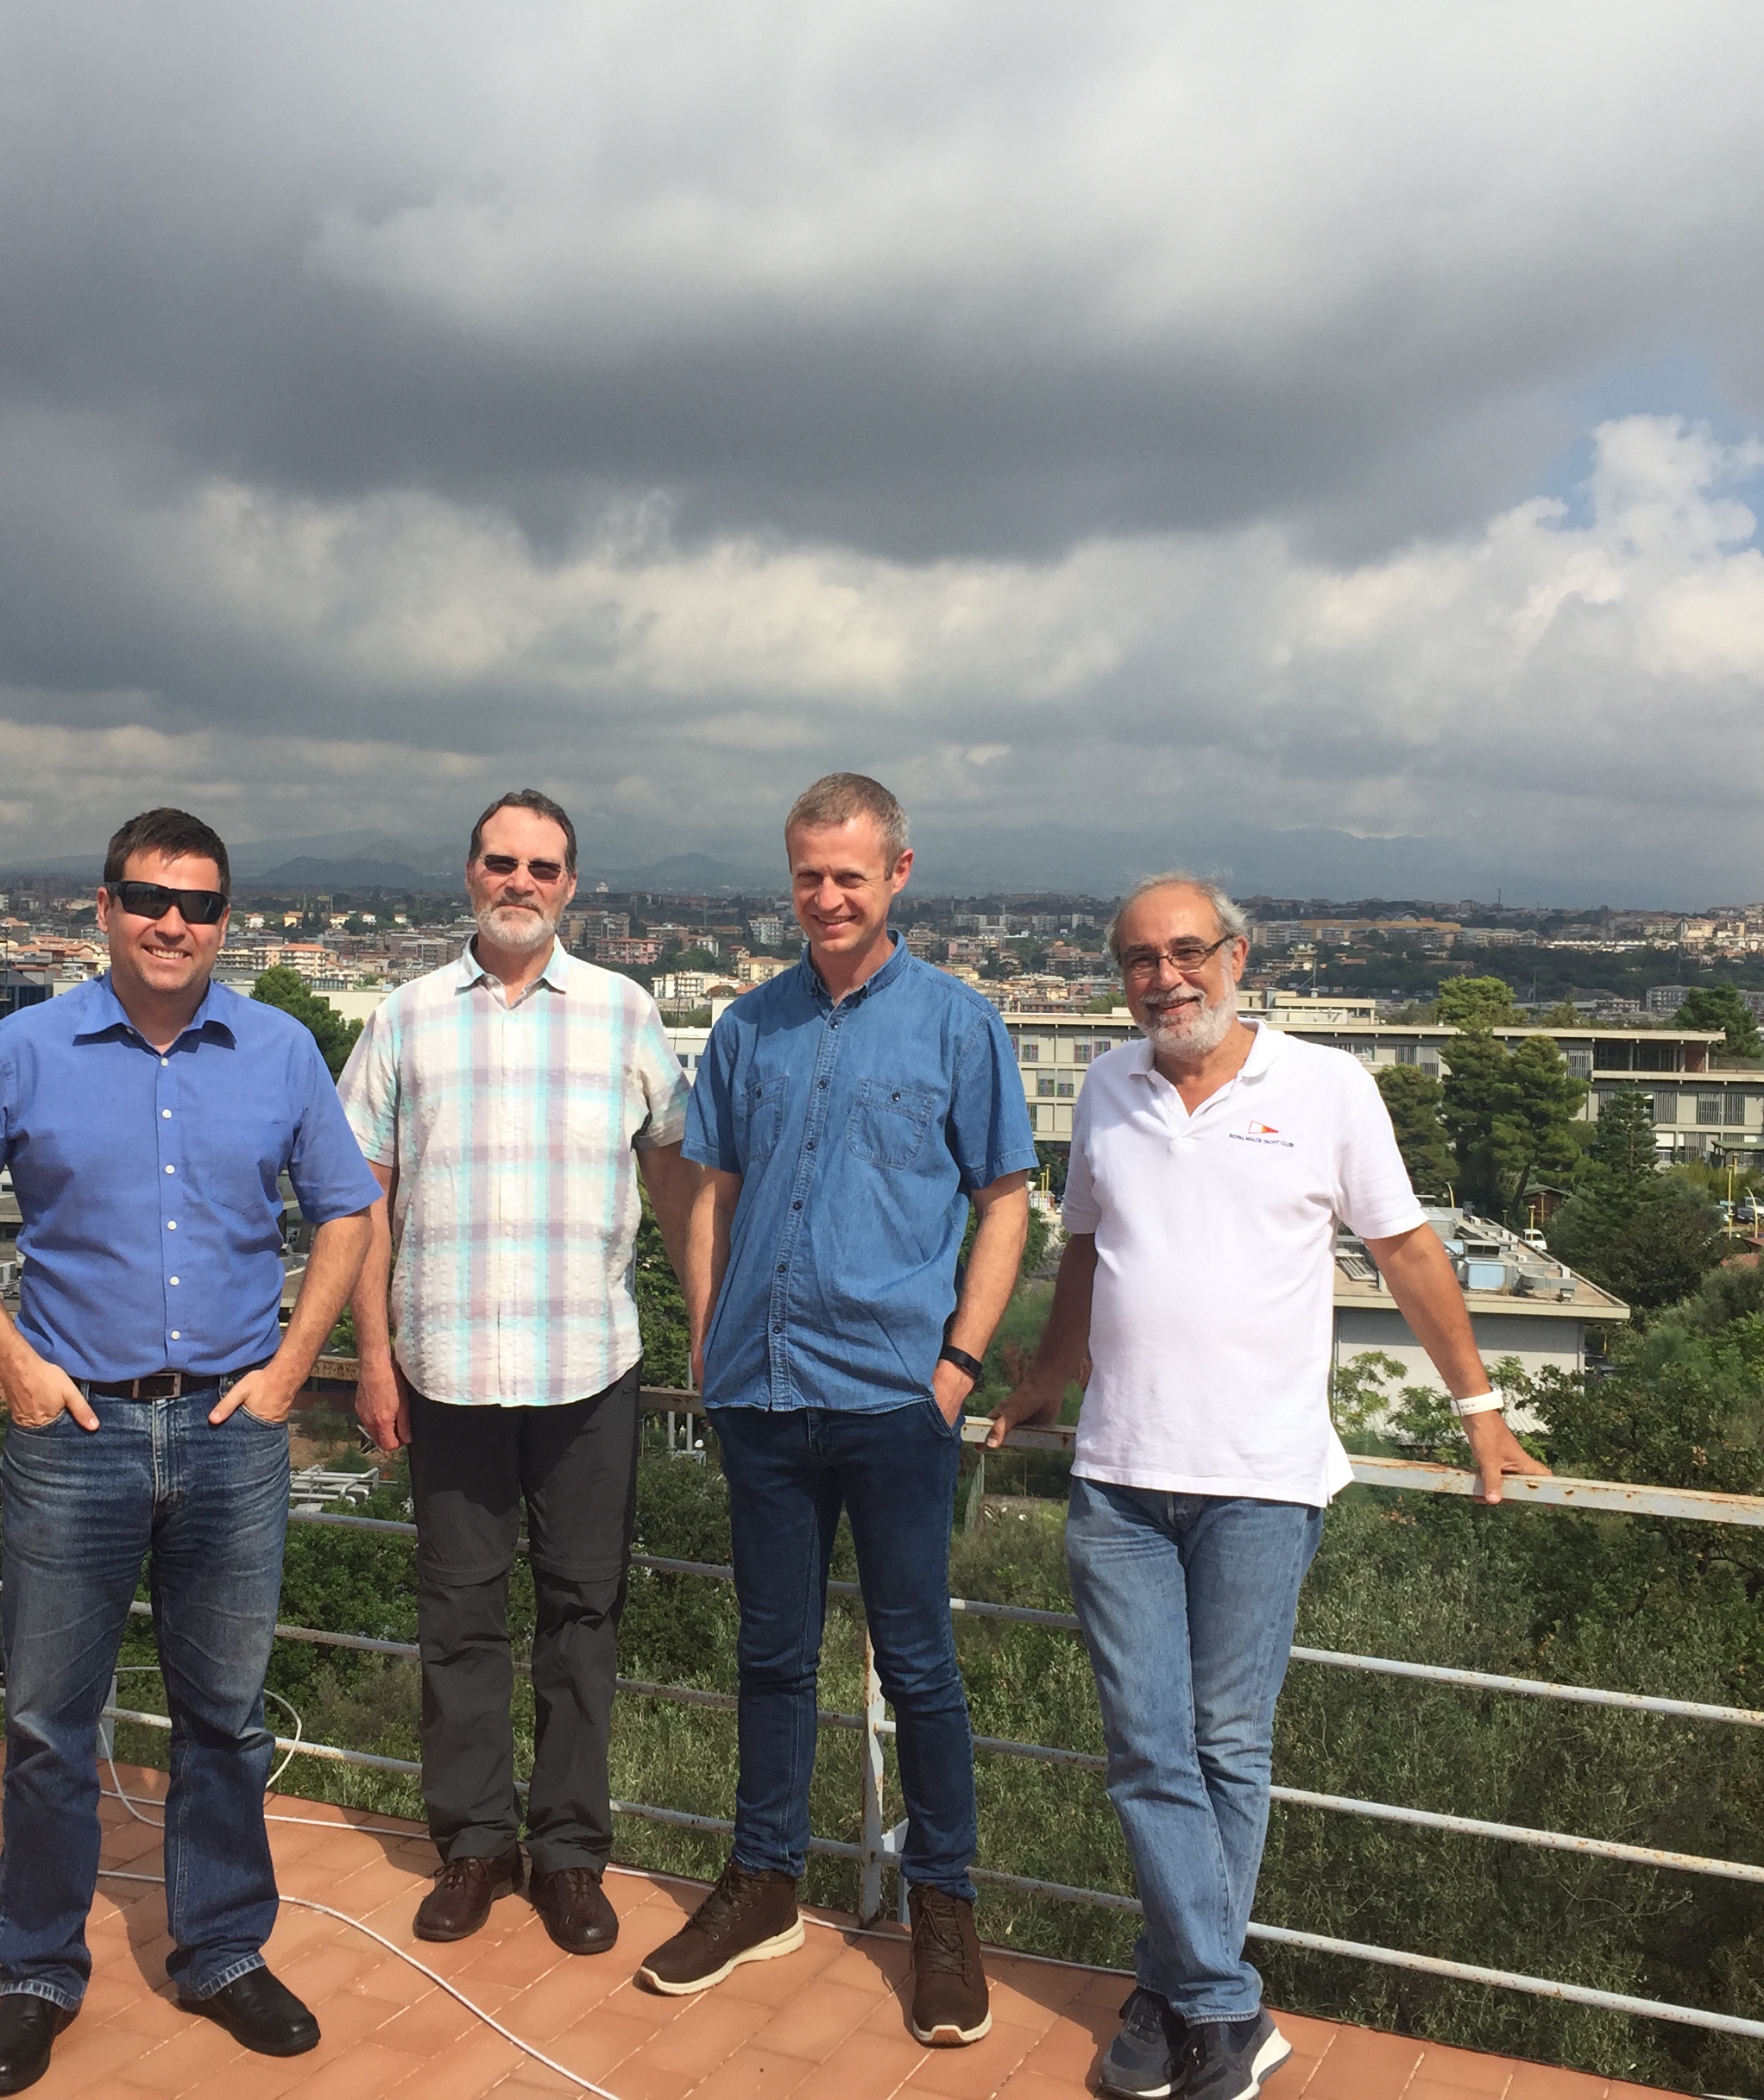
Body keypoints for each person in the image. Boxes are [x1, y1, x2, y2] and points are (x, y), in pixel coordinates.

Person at [986, 875, 1551, 2100]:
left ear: (1238, 959)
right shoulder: (1105, 1089)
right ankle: (1223, 2008)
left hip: (1260, 1481)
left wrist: (1481, 1412)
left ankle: (1174, 1994)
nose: (1166, 978)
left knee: (1227, 1746)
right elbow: (1085, 1251)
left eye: (1188, 952)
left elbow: (1407, 1251)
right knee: (1148, 1751)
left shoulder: (1327, 1087)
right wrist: (1047, 1376)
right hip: (1119, 1477)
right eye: (1141, 959)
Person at [0, 808, 377, 2097]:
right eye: (148, 898)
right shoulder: (23, 1050)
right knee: (50, 1722)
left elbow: (349, 1210)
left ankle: (221, 1951)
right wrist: (16, 1366)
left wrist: (290, 1372)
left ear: (226, 921)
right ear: (103, 908)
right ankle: (38, 1970)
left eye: (199, 904)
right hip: (77, 1434)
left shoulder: (280, 1050)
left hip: (232, 1432)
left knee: (225, 1719)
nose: (173, 923)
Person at [645, 772, 1036, 2048]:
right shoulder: (748, 1026)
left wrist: (958, 1366)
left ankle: (943, 1911)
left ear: (898, 874)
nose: (826, 897)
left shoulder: (959, 1024)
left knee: (917, 1667)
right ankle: (764, 1883)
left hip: (893, 1397)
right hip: (761, 1390)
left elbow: (1007, 1201)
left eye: (849, 876)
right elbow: (710, 1189)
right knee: (771, 1655)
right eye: (808, 875)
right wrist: (709, 1332)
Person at [338, 788, 696, 1954]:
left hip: (588, 1367)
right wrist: (373, 1357)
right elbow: (362, 1198)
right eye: (502, 862)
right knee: (459, 1616)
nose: (520, 883)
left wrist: (708, 1319)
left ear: (571, 886)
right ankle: (475, 1846)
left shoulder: (625, 1012)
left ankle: (572, 1855)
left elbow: (674, 1178)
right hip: (445, 1367)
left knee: (584, 1613)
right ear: (469, 873)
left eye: (543, 868)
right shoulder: (404, 1017)